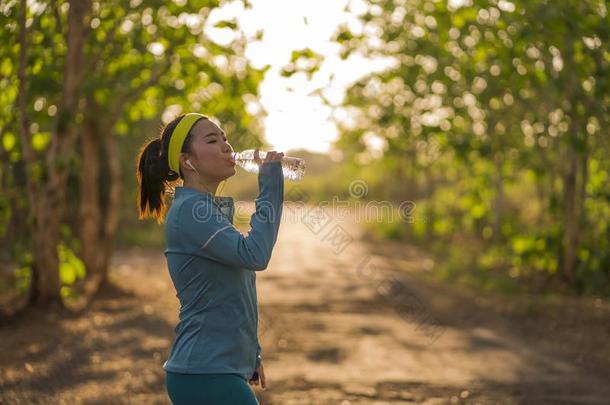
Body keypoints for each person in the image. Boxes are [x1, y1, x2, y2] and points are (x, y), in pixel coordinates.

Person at [136, 112, 285, 404]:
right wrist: (270, 182)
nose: (227, 147)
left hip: (213, 369)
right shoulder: (191, 211)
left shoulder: (204, 210)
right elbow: (255, 254)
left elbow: (230, 291)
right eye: (213, 140)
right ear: (187, 160)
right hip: (204, 372)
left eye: (225, 139)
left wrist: (250, 352)